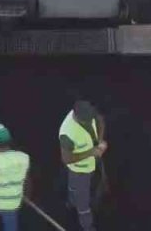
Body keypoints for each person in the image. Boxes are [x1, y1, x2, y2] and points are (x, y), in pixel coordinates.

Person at [59, 99, 106, 231]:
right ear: (77, 118)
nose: (89, 121)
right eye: (86, 121)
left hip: (92, 163)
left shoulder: (88, 111)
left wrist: (100, 141)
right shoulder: (67, 133)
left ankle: (70, 202)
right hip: (80, 170)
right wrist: (91, 152)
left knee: (74, 188)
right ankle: (88, 226)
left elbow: (100, 120)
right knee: (83, 204)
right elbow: (66, 159)